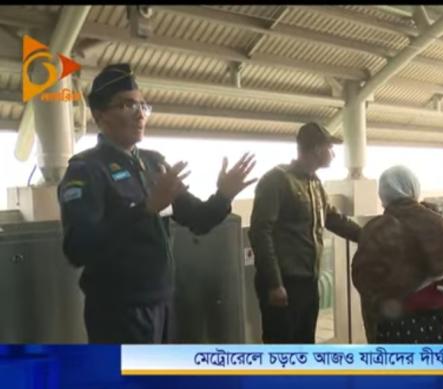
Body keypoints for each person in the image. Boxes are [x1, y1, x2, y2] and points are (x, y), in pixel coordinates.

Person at [58, 63, 257, 343]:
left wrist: (224, 195)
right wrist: (145, 209)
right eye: (128, 105)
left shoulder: (154, 163)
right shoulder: (87, 169)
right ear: (100, 115)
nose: (140, 114)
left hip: (163, 304)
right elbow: (77, 249)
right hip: (117, 310)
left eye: (143, 105)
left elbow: (198, 219)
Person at [249, 122, 361, 343]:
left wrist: (369, 236)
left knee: (305, 344)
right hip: (284, 282)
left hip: (308, 282)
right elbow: (260, 232)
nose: (333, 154)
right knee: (282, 347)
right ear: (317, 149)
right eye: (330, 148)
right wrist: (274, 283)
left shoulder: (315, 184)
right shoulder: (277, 180)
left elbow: (332, 219)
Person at [352, 166, 443, 343]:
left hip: (390, 323)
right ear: (412, 188)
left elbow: (363, 278)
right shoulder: (433, 221)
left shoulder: (375, 229)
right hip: (434, 321)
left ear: (383, 194)